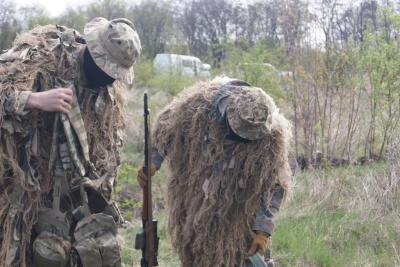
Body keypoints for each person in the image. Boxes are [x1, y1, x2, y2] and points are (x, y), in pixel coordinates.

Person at [0, 17, 141, 266]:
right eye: (103, 68)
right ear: (92, 48)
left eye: (113, 73)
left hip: (77, 196)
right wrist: (32, 99)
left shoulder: (111, 92)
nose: (108, 79)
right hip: (28, 186)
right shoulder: (43, 54)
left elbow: (108, 145)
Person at [137, 77, 292, 267]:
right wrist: (153, 160)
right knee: (200, 256)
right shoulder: (196, 106)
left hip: (241, 213)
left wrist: (263, 230)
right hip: (196, 209)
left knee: (246, 257)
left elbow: (275, 183)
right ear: (227, 115)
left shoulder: (270, 131)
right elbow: (164, 130)